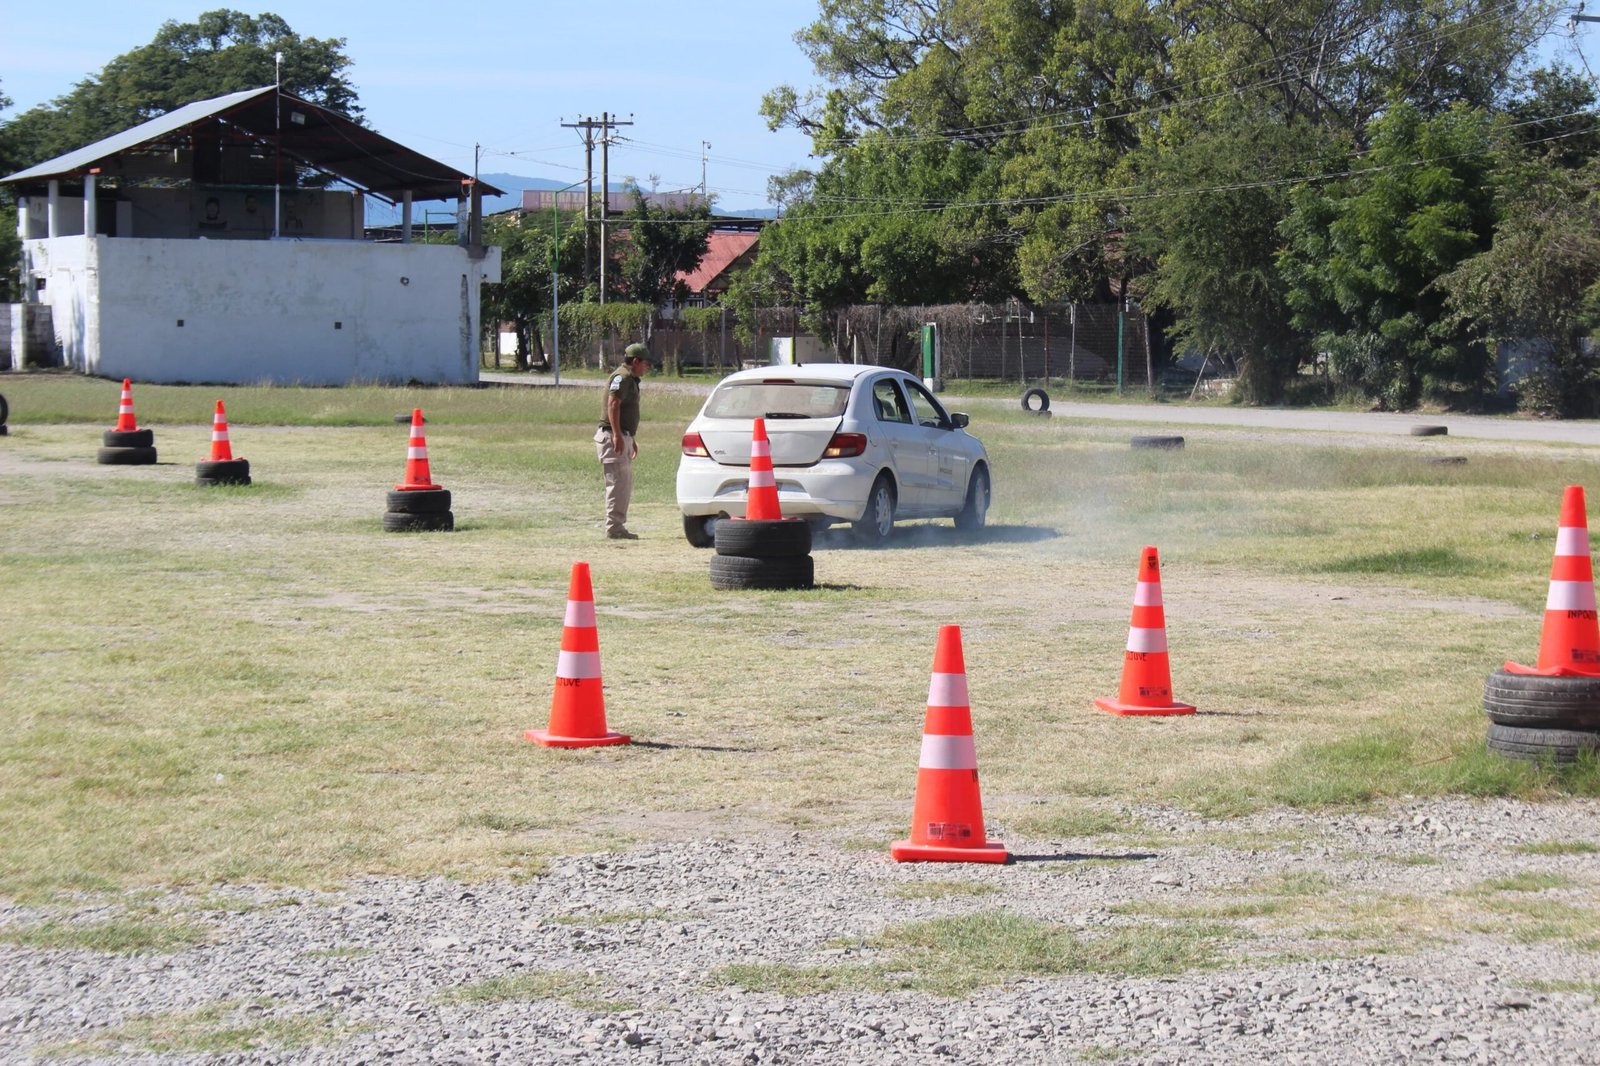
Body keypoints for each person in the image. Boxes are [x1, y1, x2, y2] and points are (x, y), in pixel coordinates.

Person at [595, 343, 653, 539]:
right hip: (613, 436)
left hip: (621, 435)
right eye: (645, 363)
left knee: (623, 485)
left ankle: (617, 526)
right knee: (617, 484)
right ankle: (614, 528)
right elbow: (613, 404)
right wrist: (618, 435)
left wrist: (630, 436)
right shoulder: (623, 377)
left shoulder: (630, 378)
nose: (647, 367)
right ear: (635, 361)